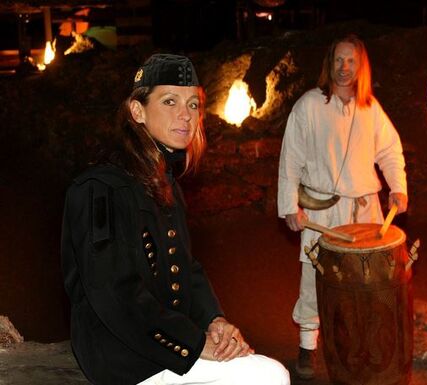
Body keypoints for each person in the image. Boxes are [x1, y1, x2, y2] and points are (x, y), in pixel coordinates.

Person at [61, 53, 290, 385]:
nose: (187, 115)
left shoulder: (162, 180)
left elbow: (185, 266)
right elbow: (114, 294)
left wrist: (215, 320)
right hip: (124, 359)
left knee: (265, 372)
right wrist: (194, 345)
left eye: (193, 105)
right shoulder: (100, 189)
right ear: (136, 111)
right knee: (270, 377)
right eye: (170, 101)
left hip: (162, 341)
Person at [277, 34, 408, 380]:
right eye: (338, 60)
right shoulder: (308, 106)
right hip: (322, 212)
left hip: (365, 213)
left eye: (351, 61)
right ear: (329, 64)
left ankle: (361, 344)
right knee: (313, 279)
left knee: (367, 281)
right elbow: (290, 159)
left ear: (360, 66)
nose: (343, 67)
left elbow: (390, 151)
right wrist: (290, 205)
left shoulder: (370, 108)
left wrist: (398, 187)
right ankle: (307, 347)